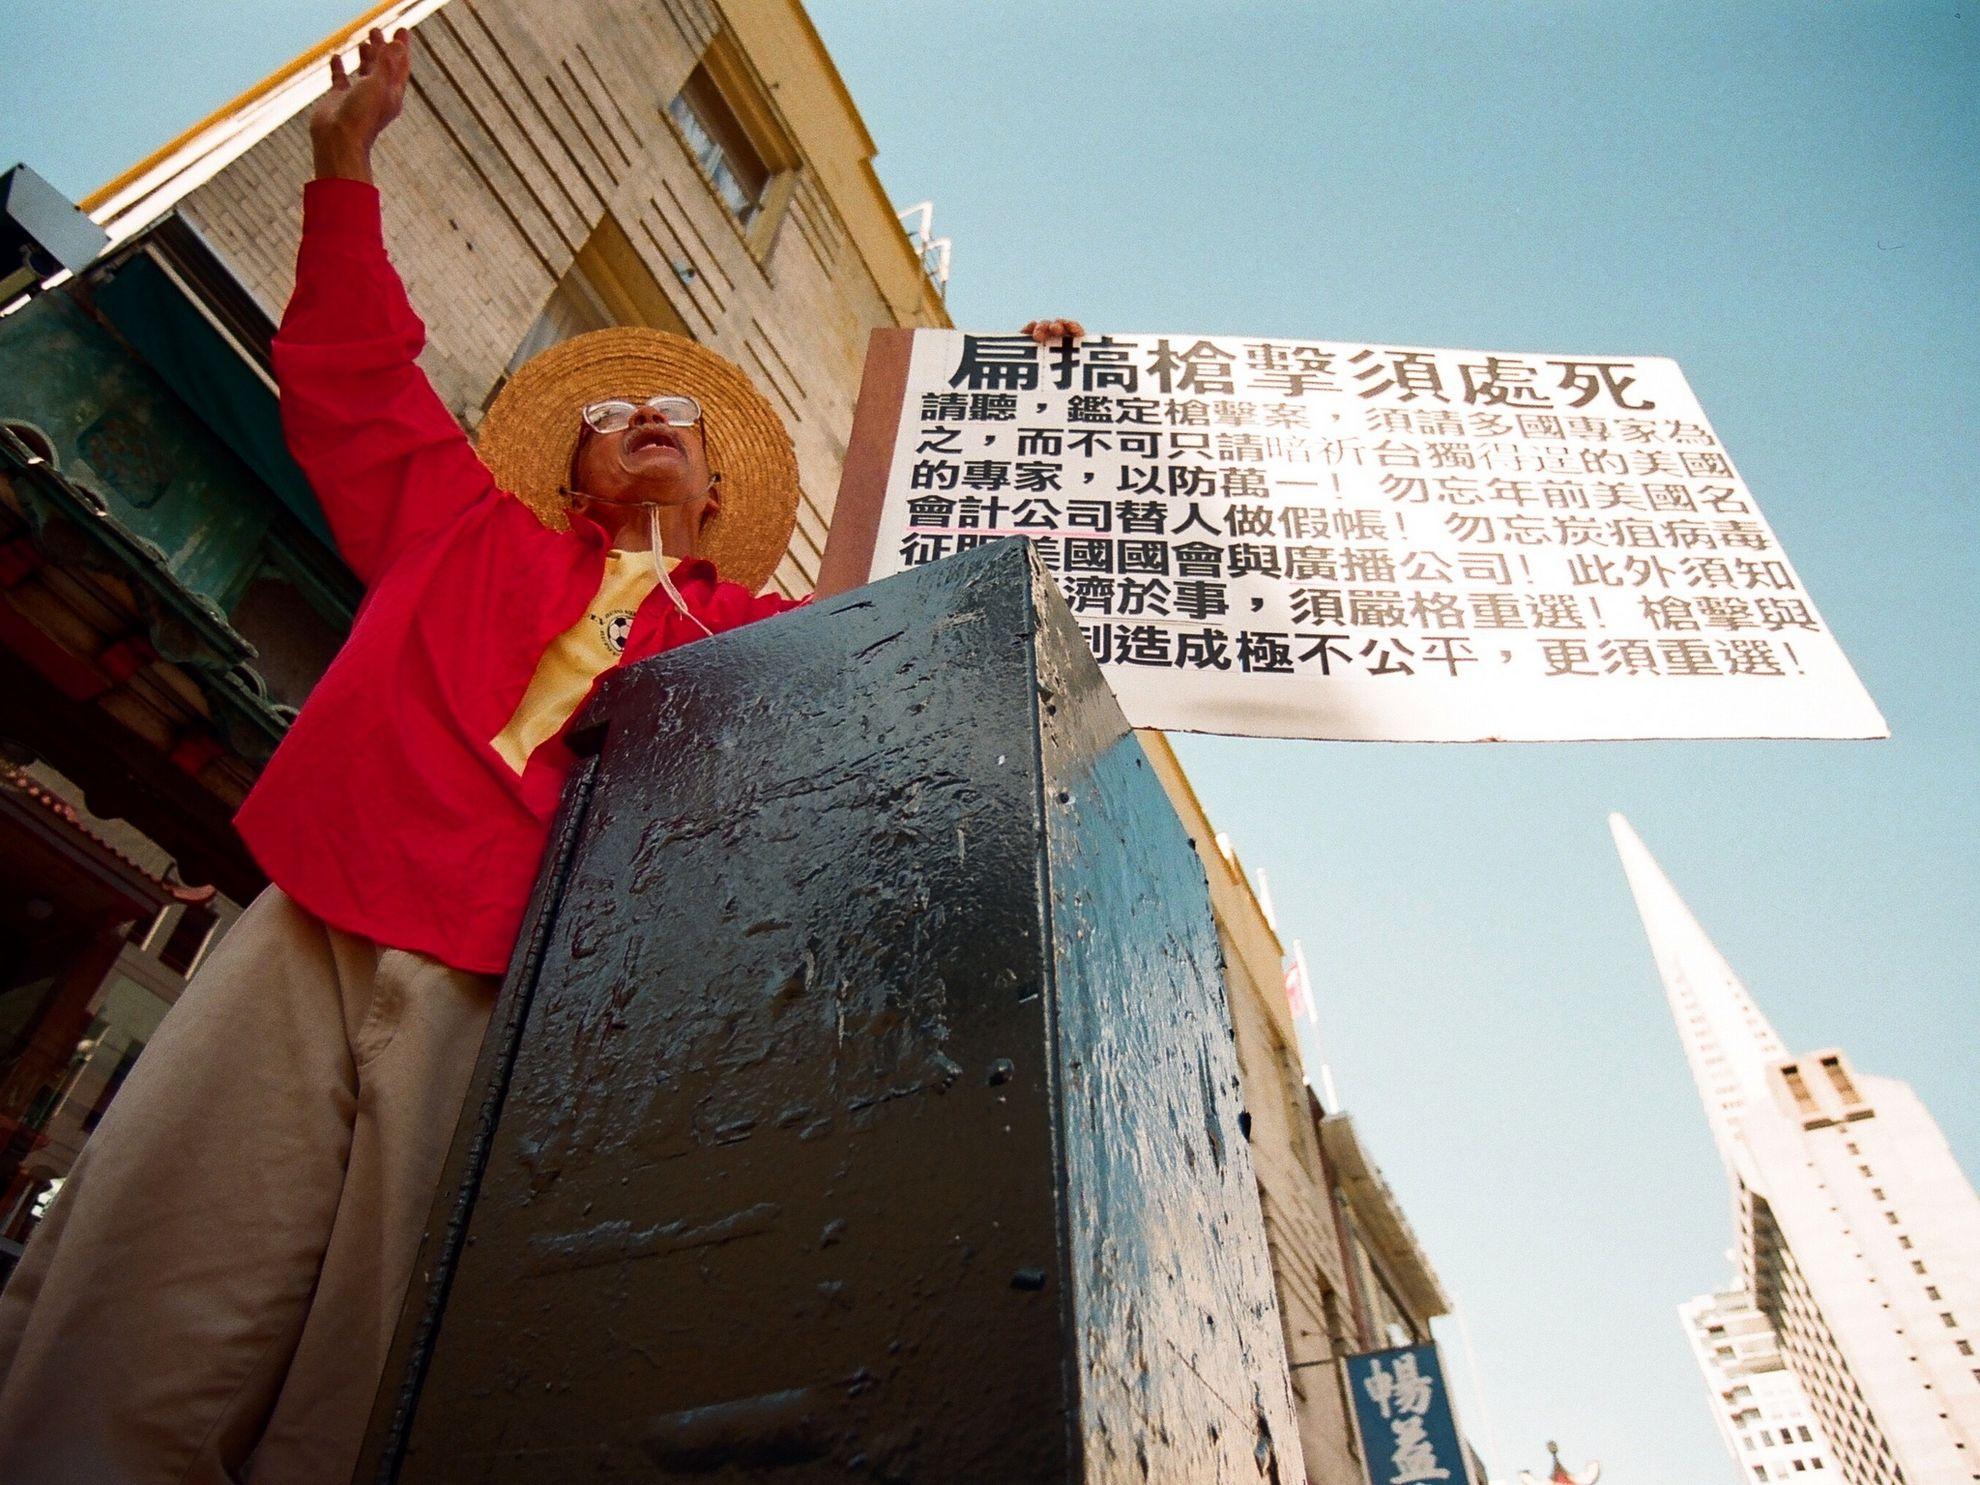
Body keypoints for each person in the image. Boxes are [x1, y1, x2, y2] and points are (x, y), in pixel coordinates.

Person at [0, 27, 1083, 1484]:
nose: (645, 420)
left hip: (532, 1021)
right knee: (129, 1326)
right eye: (609, 416)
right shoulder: (454, 522)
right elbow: (349, 371)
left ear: (711, 485)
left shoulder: (766, 642)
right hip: (319, 923)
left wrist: (1022, 411)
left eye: (677, 418)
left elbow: (925, 636)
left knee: (363, 1407)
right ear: (571, 473)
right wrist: (341, 168)